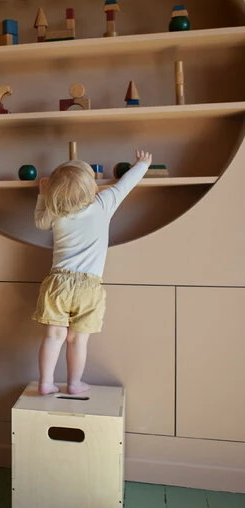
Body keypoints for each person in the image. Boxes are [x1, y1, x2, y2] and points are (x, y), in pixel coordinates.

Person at [32, 149, 152, 396]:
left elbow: (40, 222)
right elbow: (126, 185)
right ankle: (74, 383)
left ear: (55, 191)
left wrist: (42, 195)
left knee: (54, 336)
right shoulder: (103, 203)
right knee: (78, 340)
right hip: (89, 287)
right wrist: (142, 164)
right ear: (92, 188)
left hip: (58, 282)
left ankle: (45, 382)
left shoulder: (56, 210)